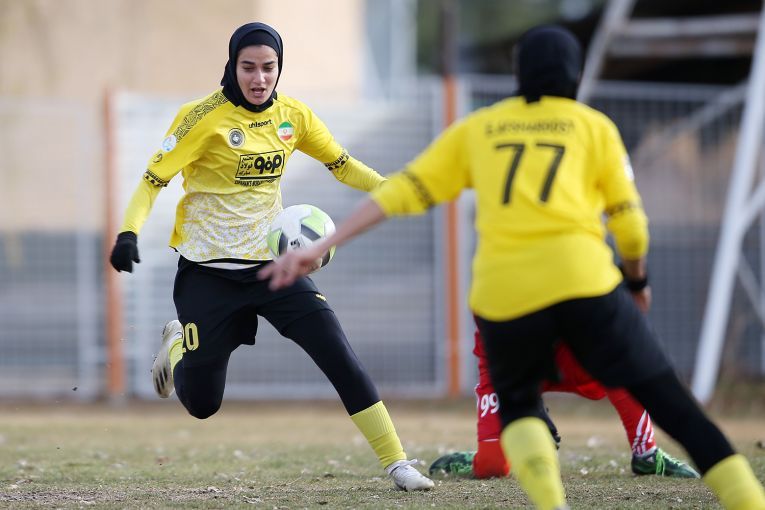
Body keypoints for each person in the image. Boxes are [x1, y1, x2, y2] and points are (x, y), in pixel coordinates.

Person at [260, 24, 765, 510]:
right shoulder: (593, 127)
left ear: (519, 73)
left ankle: (551, 503)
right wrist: (637, 282)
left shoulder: (480, 128)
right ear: (574, 73)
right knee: (672, 403)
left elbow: (403, 192)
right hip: (582, 281)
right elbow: (631, 228)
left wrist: (325, 243)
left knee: (520, 409)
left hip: (503, 296)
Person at [108, 21, 433, 492]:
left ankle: (397, 463)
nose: (259, 78)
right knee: (202, 403)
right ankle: (177, 343)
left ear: (279, 67)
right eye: (248, 67)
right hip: (208, 275)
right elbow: (151, 182)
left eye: (268, 67)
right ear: (232, 65)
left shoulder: (293, 116)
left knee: (338, 353)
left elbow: (342, 165)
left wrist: (391, 189)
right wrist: (128, 232)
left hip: (276, 268)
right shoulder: (200, 118)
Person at [429, 329, 700, 479]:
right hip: (510, 361)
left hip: (567, 346)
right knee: (492, 467)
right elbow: (493, 346)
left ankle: (646, 454)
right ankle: (480, 456)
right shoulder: (490, 280)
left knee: (622, 354)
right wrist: (523, 402)